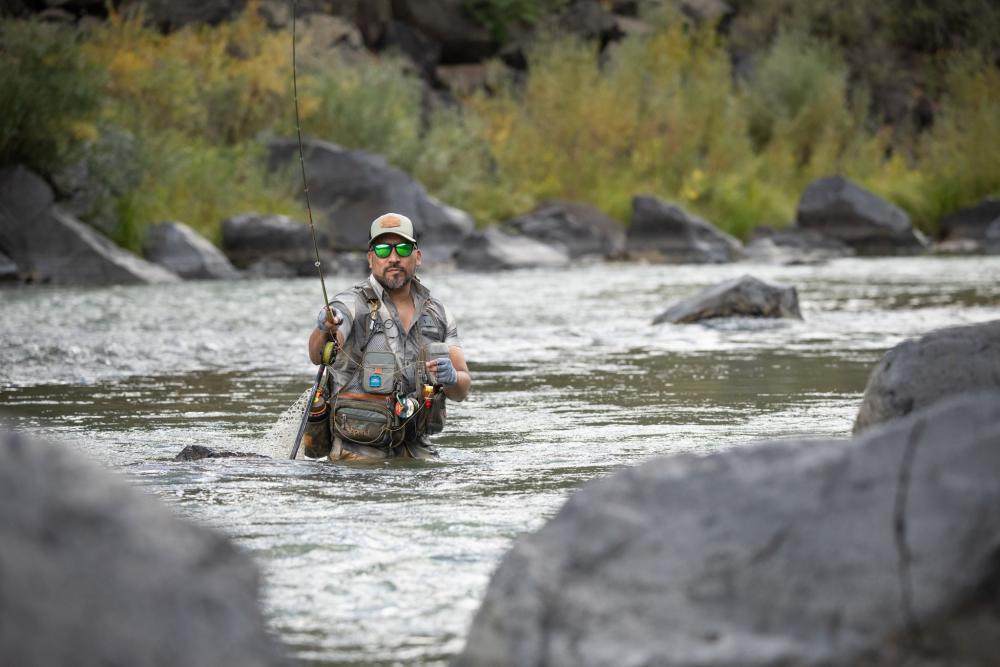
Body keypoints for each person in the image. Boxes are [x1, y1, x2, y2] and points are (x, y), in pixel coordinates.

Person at [303, 213, 471, 461]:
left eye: (402, 248)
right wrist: (325, 327)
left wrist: (453, 378)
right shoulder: (350, 304)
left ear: (418, 256)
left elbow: (461, 391)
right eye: (383, 250)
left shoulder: (439, 314)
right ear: (371, 259)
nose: (393, 258)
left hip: (418, 453)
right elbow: (316, 355)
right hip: (357, 457)